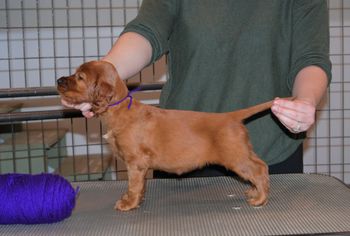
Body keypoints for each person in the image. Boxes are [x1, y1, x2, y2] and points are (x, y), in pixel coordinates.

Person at [61, 0, 331, 177]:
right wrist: (101, 78)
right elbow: (147, 31)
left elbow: (310, 57)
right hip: (179, 145)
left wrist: (306, 101)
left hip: (267, 148)